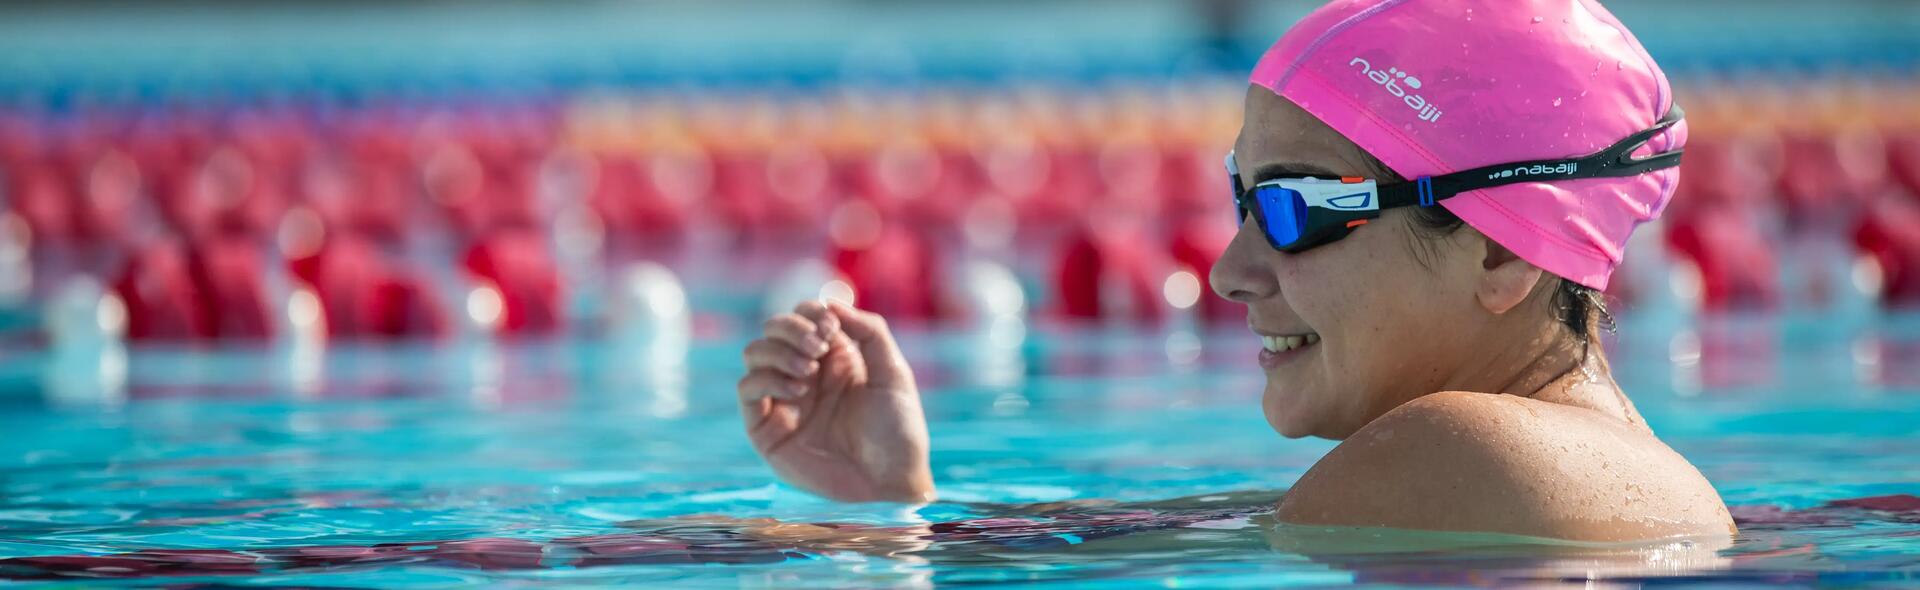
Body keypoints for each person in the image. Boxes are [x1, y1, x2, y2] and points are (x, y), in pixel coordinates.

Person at [738, 0, 1737, 542]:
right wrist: (898, 506)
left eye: (1297, 210)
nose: (1227, 271)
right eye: (1241, 200)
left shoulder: (1467, 452)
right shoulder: (1579, 480)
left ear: (1503, 250)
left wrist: (889, 541)